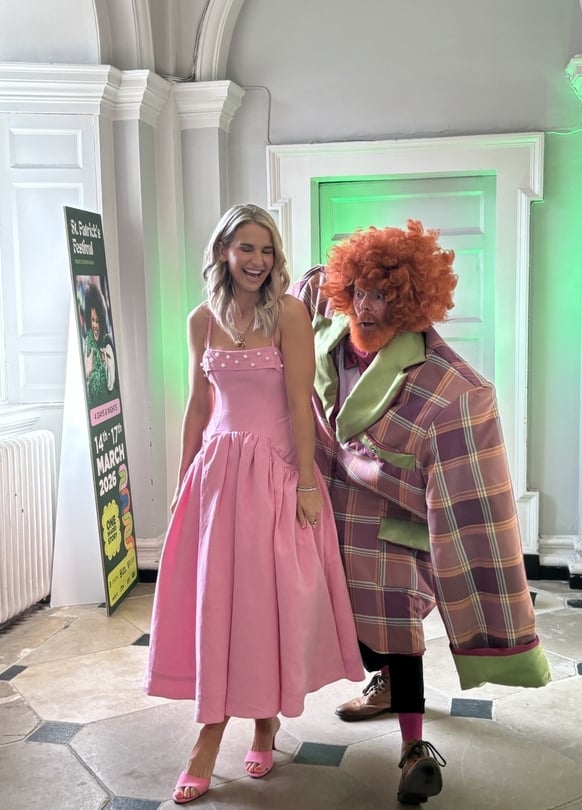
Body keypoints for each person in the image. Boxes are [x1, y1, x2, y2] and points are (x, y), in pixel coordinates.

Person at [292, 220, 551, 806]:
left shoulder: (449, 385)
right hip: (323, 514)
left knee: (396, 631)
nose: (367, 306)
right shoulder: (320, 318)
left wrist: (376, 469)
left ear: (413, 308)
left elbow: (472, 499)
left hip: (390, 528)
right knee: (346, 632)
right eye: (359, 289)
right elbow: (288, 287)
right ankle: (375, 685)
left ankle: (413, 749)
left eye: (386, 297)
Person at [144, 204, 364, 804]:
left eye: (266, 250)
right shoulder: (200, 321)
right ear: (223, 251)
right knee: (219, 604)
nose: (258, 261)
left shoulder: (289, 313)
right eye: (246, 248)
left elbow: (300, 404)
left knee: (269, 603)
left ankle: (263, 724)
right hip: (217, 478)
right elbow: (197, 405)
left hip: (274, 474)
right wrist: (184, 477)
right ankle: (210, 735)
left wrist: (305, 483)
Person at [82, 281, 117, 406]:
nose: (95, 325)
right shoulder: (86, 346)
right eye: (92, 320)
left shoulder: (107, 344)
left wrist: (107, 365)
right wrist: (88, 371)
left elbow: (112, 385)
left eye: (97, 320)